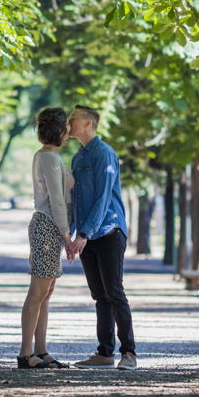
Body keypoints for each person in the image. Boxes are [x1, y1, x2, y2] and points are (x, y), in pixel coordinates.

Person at [66, 105, 137, 370]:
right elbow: (76, 200)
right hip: (87, 235)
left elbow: (103, 197)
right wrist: (71, 234)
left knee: (115, 292)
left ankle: (129, 353)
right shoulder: (77, 158)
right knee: (100, 296)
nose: (68, 124)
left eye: (72, 119)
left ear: (88, 122)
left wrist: (84, 233)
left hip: (108, 231)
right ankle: (105, 352)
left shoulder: (105, 154)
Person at [17, 107, 74, 369]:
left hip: (50, 228)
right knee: (37, 291)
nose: (70, 131)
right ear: (60, 131)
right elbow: (57, 200)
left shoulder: (51, 157)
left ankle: (40, 350)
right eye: (67, 128)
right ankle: (25, 353)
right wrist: (66, 234)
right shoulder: (49, 159)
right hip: (47, 227)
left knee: (46, 291)